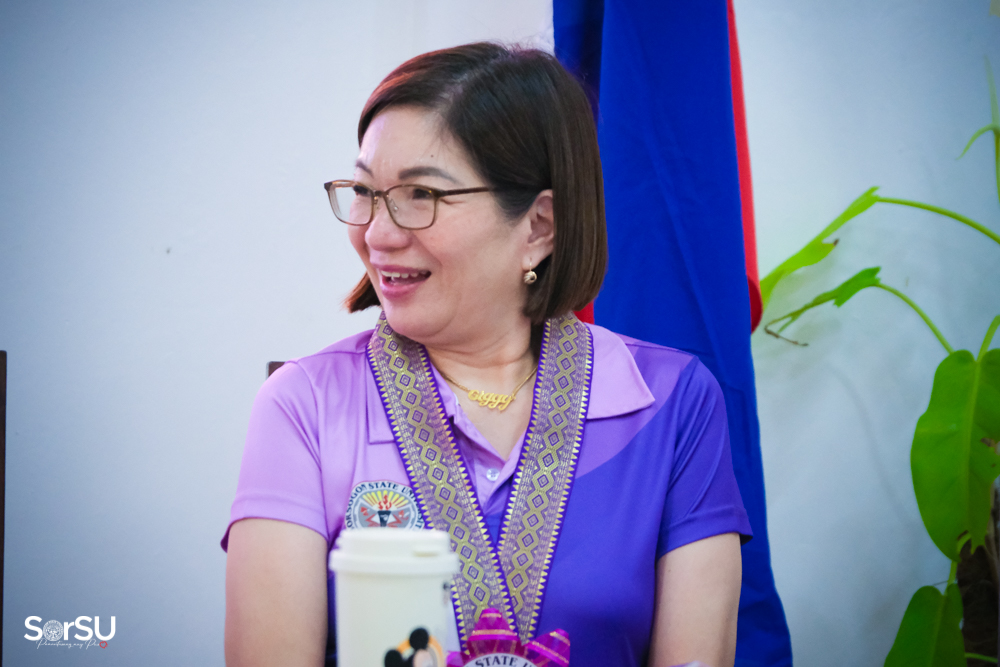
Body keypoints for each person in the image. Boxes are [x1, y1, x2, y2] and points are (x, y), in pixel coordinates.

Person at [222, 42, 751, 667]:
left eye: (421, 194)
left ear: (539, 226)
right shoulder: (303, 406)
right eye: (364, 191)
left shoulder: (673, 403)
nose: (377, 234)